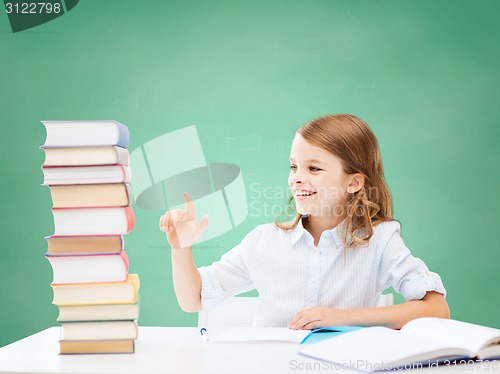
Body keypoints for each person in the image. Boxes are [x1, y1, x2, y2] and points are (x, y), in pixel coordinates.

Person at [159, 114, 449, 330]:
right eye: (294, 166)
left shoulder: (380, 239)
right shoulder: (264, 241)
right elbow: (193, 299)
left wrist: (343, 318)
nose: (297, 177)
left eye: (314, 168)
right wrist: (181, 248)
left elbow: (437, 309)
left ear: (354, 183)